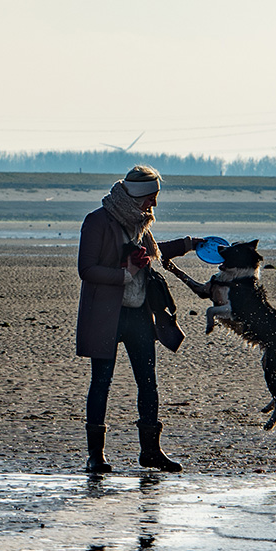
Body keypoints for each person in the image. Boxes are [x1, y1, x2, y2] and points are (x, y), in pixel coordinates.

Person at [77, 165, 198, 474]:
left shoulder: (140, 222)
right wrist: (125, 273)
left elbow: (155, 253)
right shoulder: (97, 221)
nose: (154, 204)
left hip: (140, 314)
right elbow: (86, 270)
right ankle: (95, 456)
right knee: (101, 383)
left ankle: (151, 452)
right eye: (151, 197)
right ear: (137, 196)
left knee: (148, 383)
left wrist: (190, 244)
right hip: (106, 315)